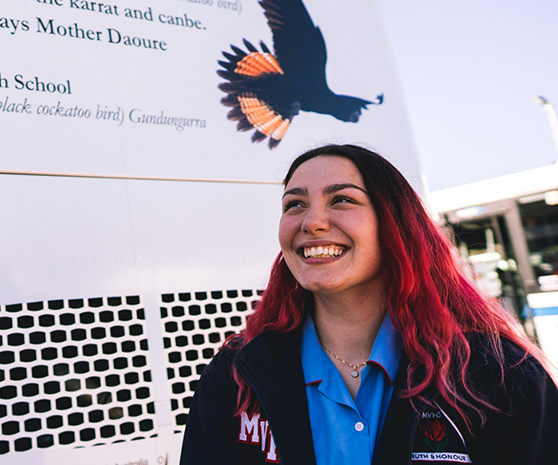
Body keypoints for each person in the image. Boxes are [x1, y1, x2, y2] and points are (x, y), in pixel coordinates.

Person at [180, 144, 558, 464]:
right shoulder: (235, 375)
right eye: (294, 205)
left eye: (342, 199)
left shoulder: (499, 375)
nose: (312, 222)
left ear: (395, 223)